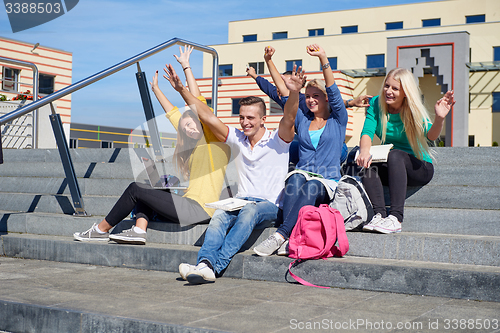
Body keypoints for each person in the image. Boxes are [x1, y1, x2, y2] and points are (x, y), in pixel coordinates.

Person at [73, 45, 230, 244]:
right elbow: (174, 115)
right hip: (190, 206)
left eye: (193, 123)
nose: (189, 128)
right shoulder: (195, 143)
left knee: (135, 188)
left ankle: (100, 229)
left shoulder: (212, 140)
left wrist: (186, 67)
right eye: (186, 126)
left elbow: (198, 103)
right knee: (154, 186)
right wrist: (156, 90)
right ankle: (139, 230)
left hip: (199, 209)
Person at [165, 62, 305, 284]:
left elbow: (289, 116)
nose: (245, 122)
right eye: (241, 117)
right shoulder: (237, 138)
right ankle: (204, 264)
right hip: (240, 201)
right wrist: (181, 89)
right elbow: (207, 116)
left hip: (269, 205)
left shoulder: (278, 140)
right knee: (220, 214)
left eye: (250, 118)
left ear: (263, 120)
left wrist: (295, 92)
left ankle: (216, 265)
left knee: (249, 211)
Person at [253, 44, 348, 257]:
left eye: (316, 95)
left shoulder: (338, 119)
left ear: (325, 99)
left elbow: (333, 89)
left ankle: (281, 235)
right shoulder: (303, 119)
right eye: (308, 96)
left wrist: (323, 57)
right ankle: (292, 237)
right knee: (295, 179)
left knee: (312, 184)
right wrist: (272, 65)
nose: (311, 99)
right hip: (303, 172)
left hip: (326, 179)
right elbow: (286, 97)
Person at [357, 67, 455, 234]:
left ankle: (395, 218)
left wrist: (440, 118)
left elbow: (431, 136)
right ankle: (379, 215)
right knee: (367, 163)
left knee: (395, 155)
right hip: (392, 166)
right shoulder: (376, 104)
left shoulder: (411, 108)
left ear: (405, 92)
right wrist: (364, 152)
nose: (388, 91)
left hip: (419, 167)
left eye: (395, 88)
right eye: (387, 86)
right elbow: (367, 132)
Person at [246, 45, 371, 165]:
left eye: (288, 82)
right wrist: (261, 66)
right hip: (309, 148)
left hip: (334, 148)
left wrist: (351, 102)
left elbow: (332, 99)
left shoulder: (304, 100)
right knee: (281, 144)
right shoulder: (284, 99)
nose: (311, 100)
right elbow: (266, 85)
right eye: (282, 82)